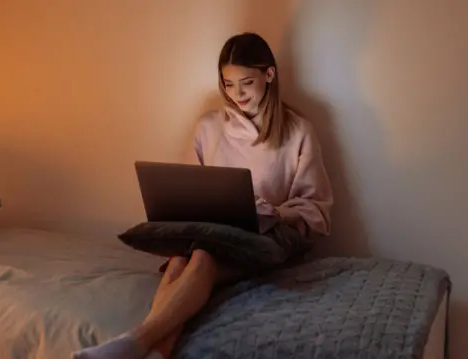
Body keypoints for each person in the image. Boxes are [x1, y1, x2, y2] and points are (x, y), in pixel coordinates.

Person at [73, 32, 333, 359]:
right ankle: (153, 351)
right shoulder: (208, 126)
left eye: (246, 83)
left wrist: (277, 213)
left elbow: (316, 208)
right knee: (185, 257)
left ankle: (135, 341)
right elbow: (186, 188)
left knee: (202, 258)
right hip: (212, 233)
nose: (236, 94)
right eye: (227, 84)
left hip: (269, 237)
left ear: (269, 75)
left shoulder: (298, 131)